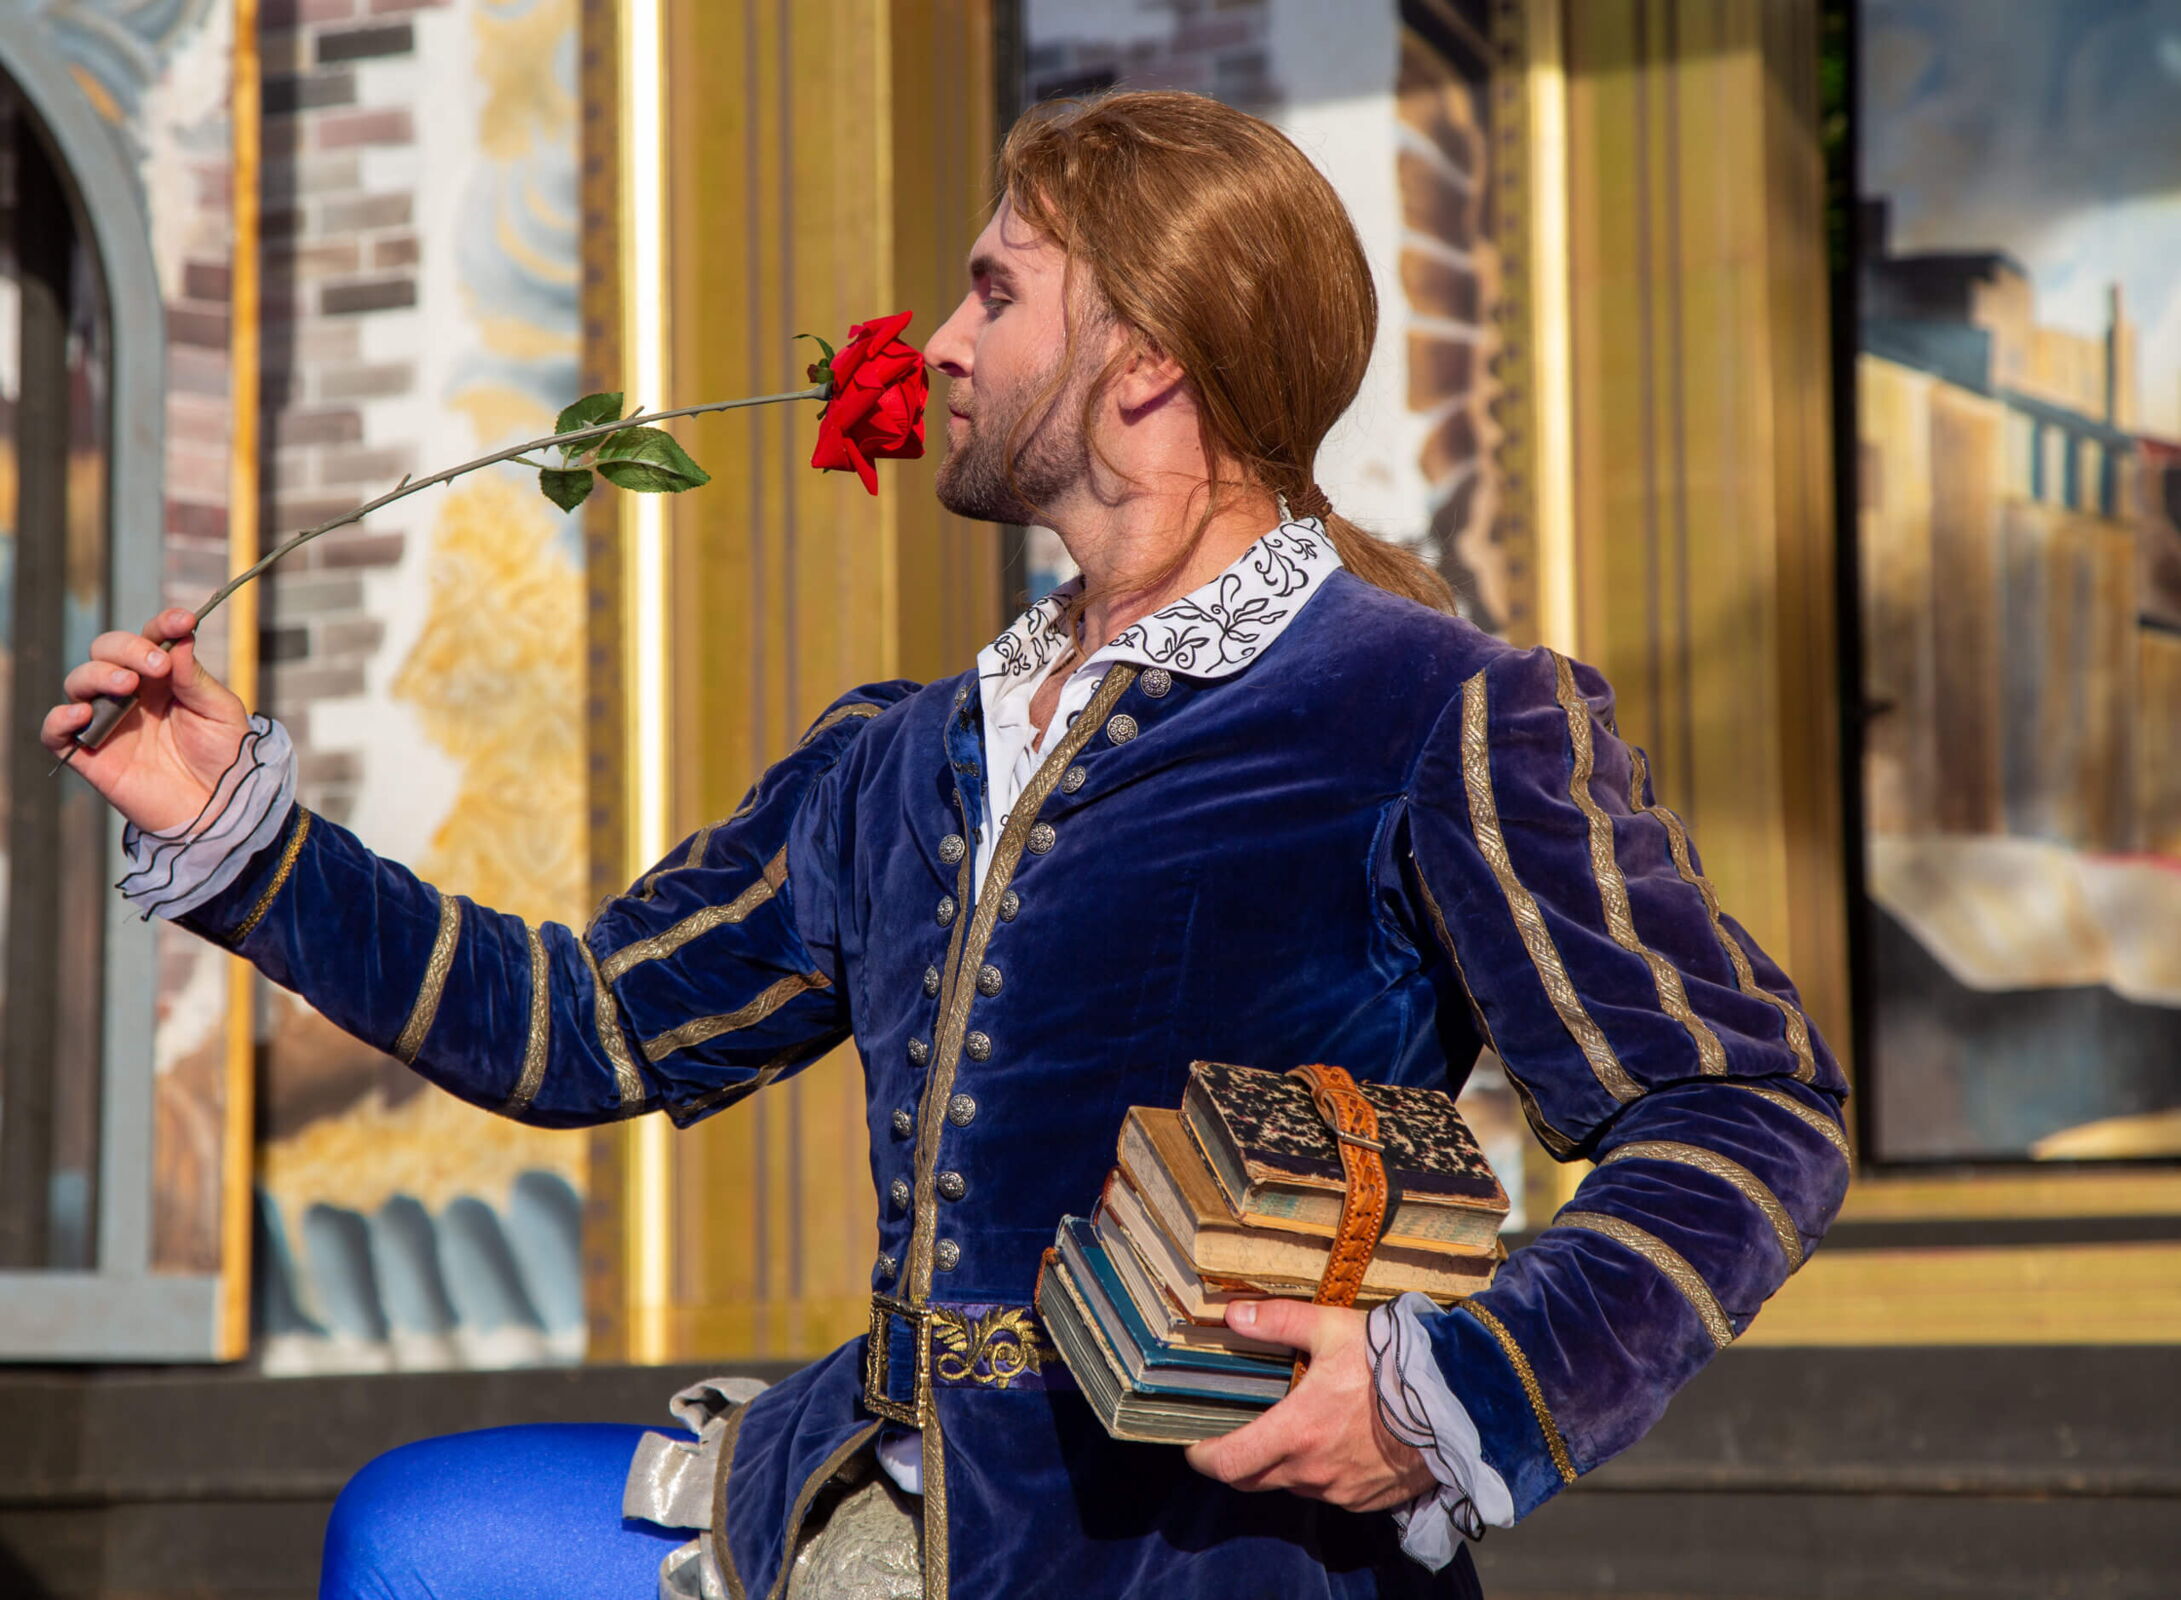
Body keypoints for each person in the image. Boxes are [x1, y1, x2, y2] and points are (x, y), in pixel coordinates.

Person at [47, 90, 1849, 1600]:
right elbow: (581, 1026)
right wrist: (237, 836)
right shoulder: (901, 755)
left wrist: (1449, 1391)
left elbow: (1744, 1109)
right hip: (865, 1483)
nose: (939, 345)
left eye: (994, 290)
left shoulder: (1431, 710)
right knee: (420, 1537)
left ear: (1146, 360)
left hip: (1192, 1550)